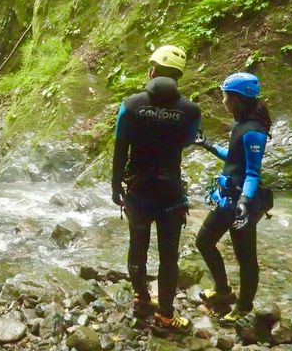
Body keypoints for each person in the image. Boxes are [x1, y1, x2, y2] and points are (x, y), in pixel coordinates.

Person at [112, 45, 201, 333]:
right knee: (169, 256)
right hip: (171, 193)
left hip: (138, 190)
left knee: (137, 247)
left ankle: (140, 298)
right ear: (178, 76)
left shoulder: (131, 104)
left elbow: (120, 148)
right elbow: (187, 142)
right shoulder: (190, 110)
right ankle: (165, 316)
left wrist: (116, 186)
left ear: (152, 71)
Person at [194, 72, 272, 326]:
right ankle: (223, 290)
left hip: (242, 204)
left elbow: (252, 172)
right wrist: (208, 145)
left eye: (225, 96)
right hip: (229, 198)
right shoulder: (241, 124)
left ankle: (245, 306)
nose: (223, 100)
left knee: (246, 256)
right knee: (204, 241)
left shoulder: (254, 132)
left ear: (236, 99)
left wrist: (245, 202)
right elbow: (234, 159)